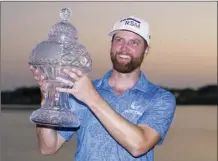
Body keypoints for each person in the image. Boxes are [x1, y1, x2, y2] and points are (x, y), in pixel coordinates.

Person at [30, 15, 176, 161]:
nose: (124, 48)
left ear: (146, 50)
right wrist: (48, 97)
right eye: (119, 40)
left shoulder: (160, 98)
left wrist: (91, 98)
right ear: (111, 45)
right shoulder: (79, 93)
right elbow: (47, 147)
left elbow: (139, 146)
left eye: (134, 42)